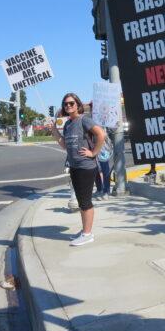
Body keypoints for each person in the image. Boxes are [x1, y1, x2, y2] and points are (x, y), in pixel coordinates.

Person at [52, 93, 106, 246]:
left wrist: (93, 152)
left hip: (86, 167)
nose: (68, 106)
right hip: (74, 167)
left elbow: (101, 134)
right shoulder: (68, 124)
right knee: (82, 201)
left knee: (85, 201)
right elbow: (66, 145)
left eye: (71, 103)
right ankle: (85, 230)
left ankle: (87, 234)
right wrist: (55, 132)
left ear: (77, 104)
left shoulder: (84, 120)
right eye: (65, 104)